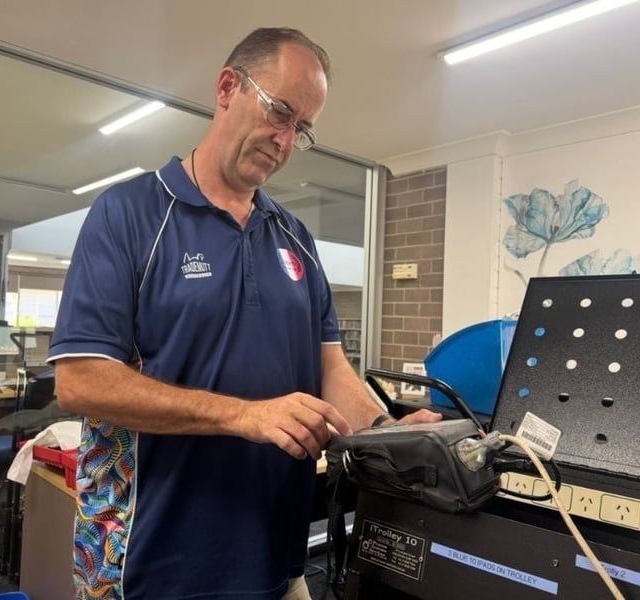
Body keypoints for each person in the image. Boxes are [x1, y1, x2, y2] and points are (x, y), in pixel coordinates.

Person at [48, 27, 440, 600]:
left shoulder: (295, 237)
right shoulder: (130, 214)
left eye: (301, 128)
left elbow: (330, 367)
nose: (285, 139)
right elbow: (79, 382)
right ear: (228, 87)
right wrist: (243, 416)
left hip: (275, 560)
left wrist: (386, 432)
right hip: (148, 563)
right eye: (280, 112)